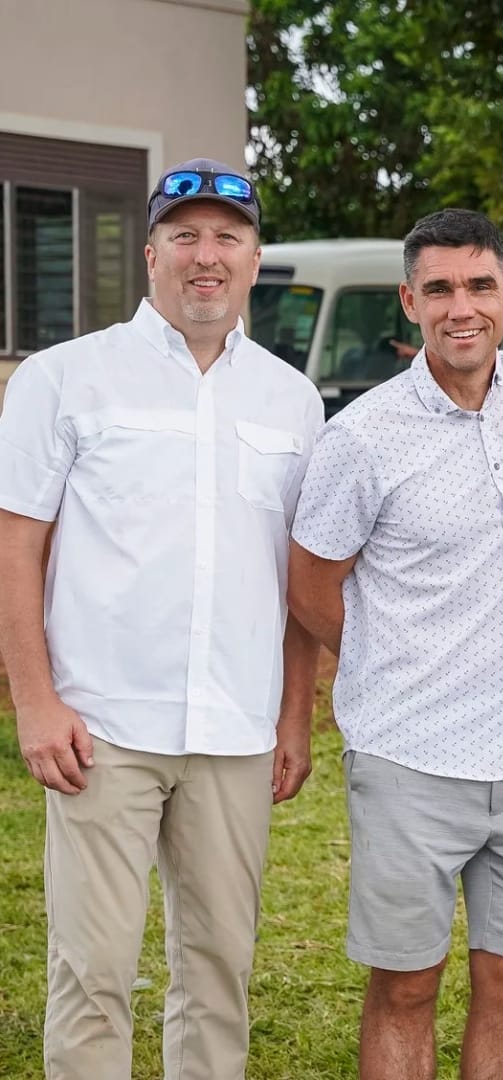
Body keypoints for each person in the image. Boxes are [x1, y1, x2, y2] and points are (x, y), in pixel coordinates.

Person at [0, 158, 323, 1079]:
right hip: (102, 726)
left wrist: (293, 712)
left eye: (228, 237)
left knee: (220, 969)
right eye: (185, 236)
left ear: (256, 259)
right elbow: (13, 544)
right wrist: (35, 702)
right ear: (151, 254)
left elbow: (300, 573)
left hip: (235, 728)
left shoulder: (292, 401)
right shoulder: (64, 378)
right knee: (93, 971)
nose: (206, 256)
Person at [287, 208, 503, 1080]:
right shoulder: (362, 437)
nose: (464, 307)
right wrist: (395, 658)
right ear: (410, 300)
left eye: (481, 286)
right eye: (441, 289)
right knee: (407, 987)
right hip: (410, 755)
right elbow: (310, 587)